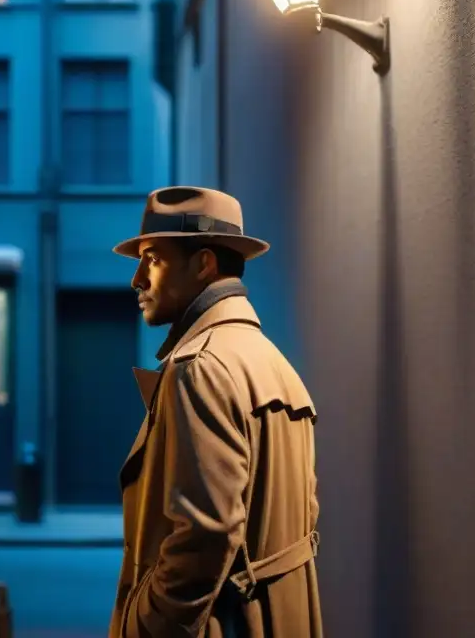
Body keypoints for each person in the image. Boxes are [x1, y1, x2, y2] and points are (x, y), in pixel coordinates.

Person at [108, 186, 323, 638]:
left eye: (154, 259)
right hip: (281, 617)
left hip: (226, 623)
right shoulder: (270, 361)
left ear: (203, 264)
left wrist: (147, 623)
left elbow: (206, 535)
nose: (137, 281)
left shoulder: (201, 368)